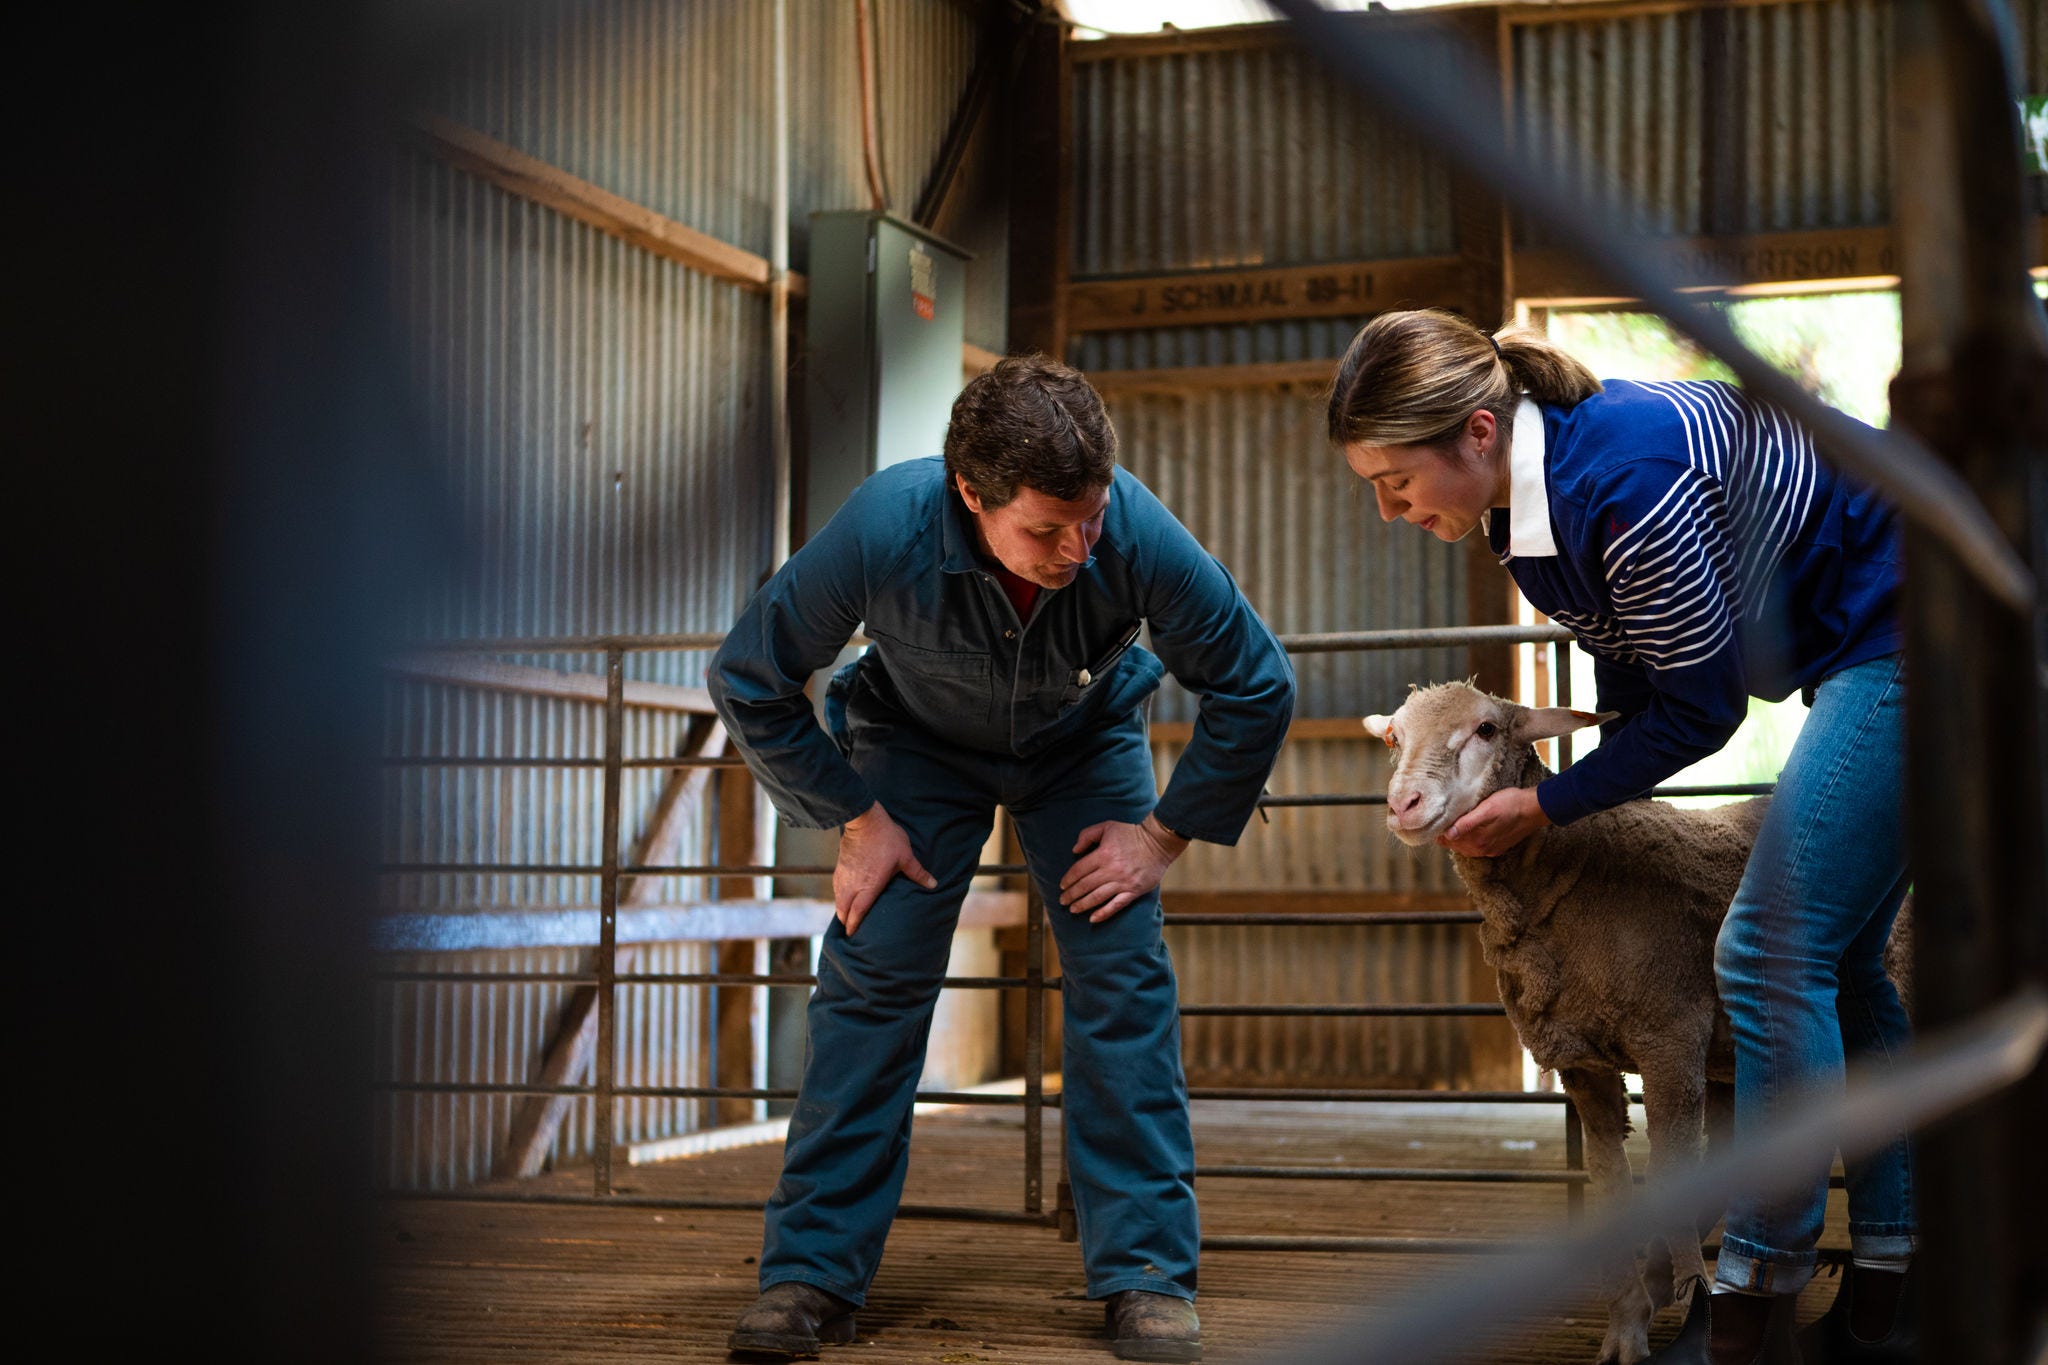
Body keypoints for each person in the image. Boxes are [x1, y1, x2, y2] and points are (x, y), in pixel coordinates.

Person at [1324, 309, 1915, 1365]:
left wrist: (1550, 806)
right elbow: (1628, 667)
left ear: (1473, 434)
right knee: (1850, 967)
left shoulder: (1625, 490)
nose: (1385, 509)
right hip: (1844, 646)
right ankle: (1889, 1287)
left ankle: (1749, 1297)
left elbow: (1699, 711)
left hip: (1907, 629)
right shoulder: (1519, 521)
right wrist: (1575, 786)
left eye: (1391, 479)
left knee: (1768, 950)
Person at [710, 354, 1295, 1363]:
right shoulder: (880, 527)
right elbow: (750, 676)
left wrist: (1159, 836)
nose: (1074, 548)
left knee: (1120, 980)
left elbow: (1255, 684)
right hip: (913, 750)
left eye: (1090, 518)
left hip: (1082, 743)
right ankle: (808, 1272)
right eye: (1042, 528)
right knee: (870, 974)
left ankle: (1146, 1272)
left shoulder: (1138, 534)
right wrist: (851, 815)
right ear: (968, 496)